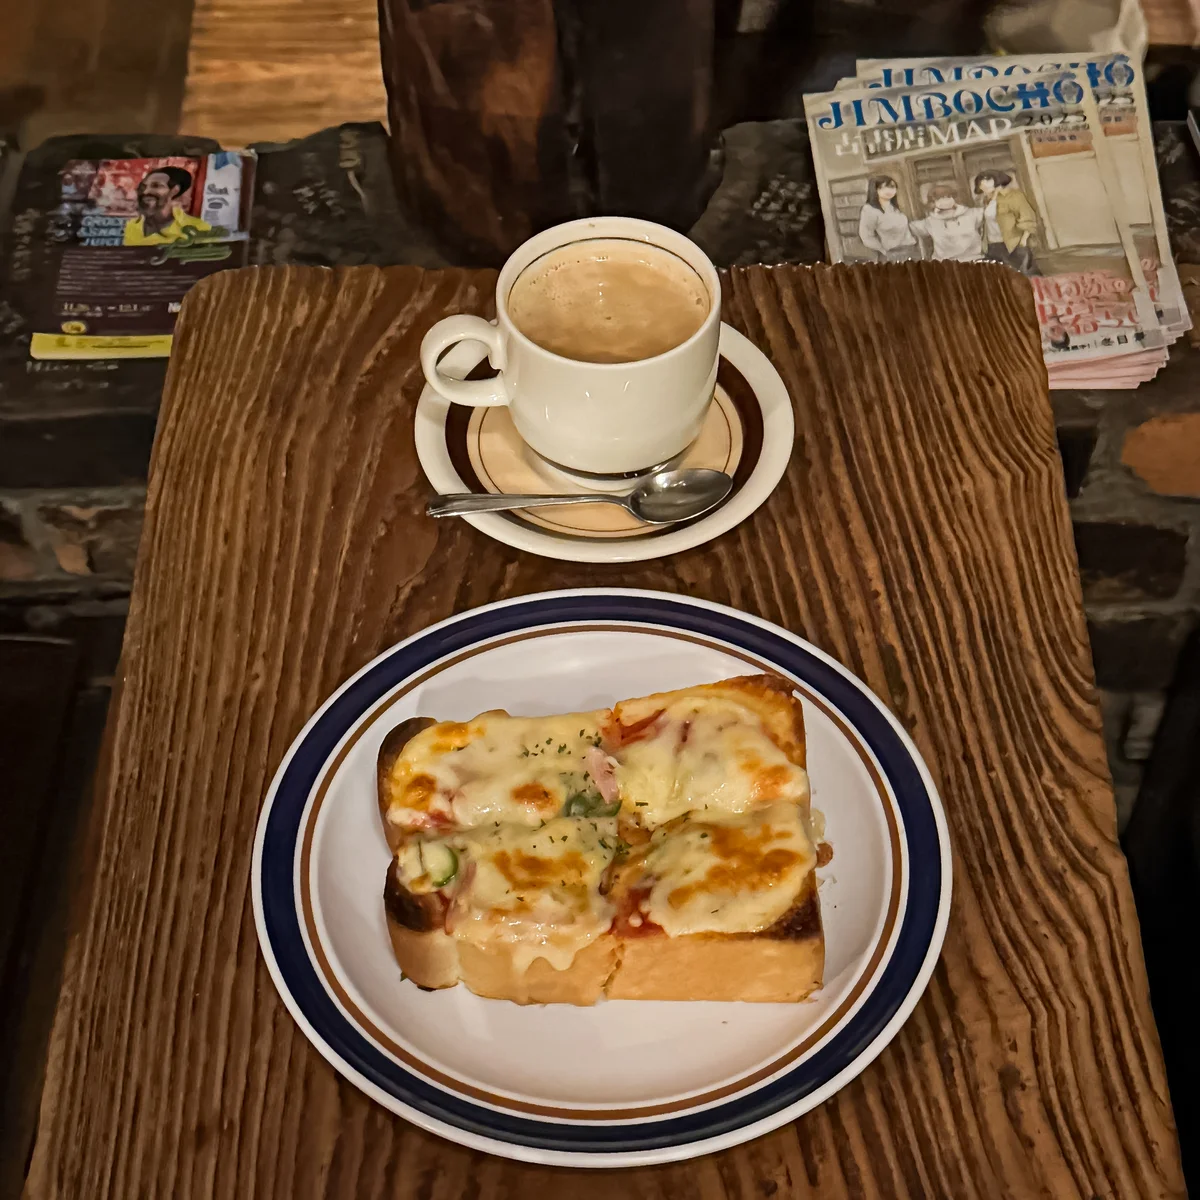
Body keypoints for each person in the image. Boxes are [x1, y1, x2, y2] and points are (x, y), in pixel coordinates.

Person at [973, 170, 1040, 276]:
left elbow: (1027, 217)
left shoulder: (1013, 196)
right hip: (992, 246)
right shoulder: (984, 201)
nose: (984, 183)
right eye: (982, 181)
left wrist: (1023, 241)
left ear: (997, 180)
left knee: (1025, 277)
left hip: (1012, 244)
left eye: (988, 179)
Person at [123, 166, 212, 245]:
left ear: (174, 191)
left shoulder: (199, 229)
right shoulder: (131, 226)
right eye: (143, 187)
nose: (146, 192)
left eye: (156, 186)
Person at [909, 184, 984, 262]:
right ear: (933, 202)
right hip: (945, 263)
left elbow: (989, 214)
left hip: (975, 258)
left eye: (948, 197)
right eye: (939, 198)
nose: (945, 201)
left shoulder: (971, 214)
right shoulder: (930, 222)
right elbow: (910, 228)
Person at [857, 176, 918, 262]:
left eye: (892, 187)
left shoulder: (894, 208)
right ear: (874, 190)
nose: (888, 191)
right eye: (882, 188)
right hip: (891, 254)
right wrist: (883, 250)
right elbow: (866, 236)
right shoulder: (869, 210)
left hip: (911, 250)